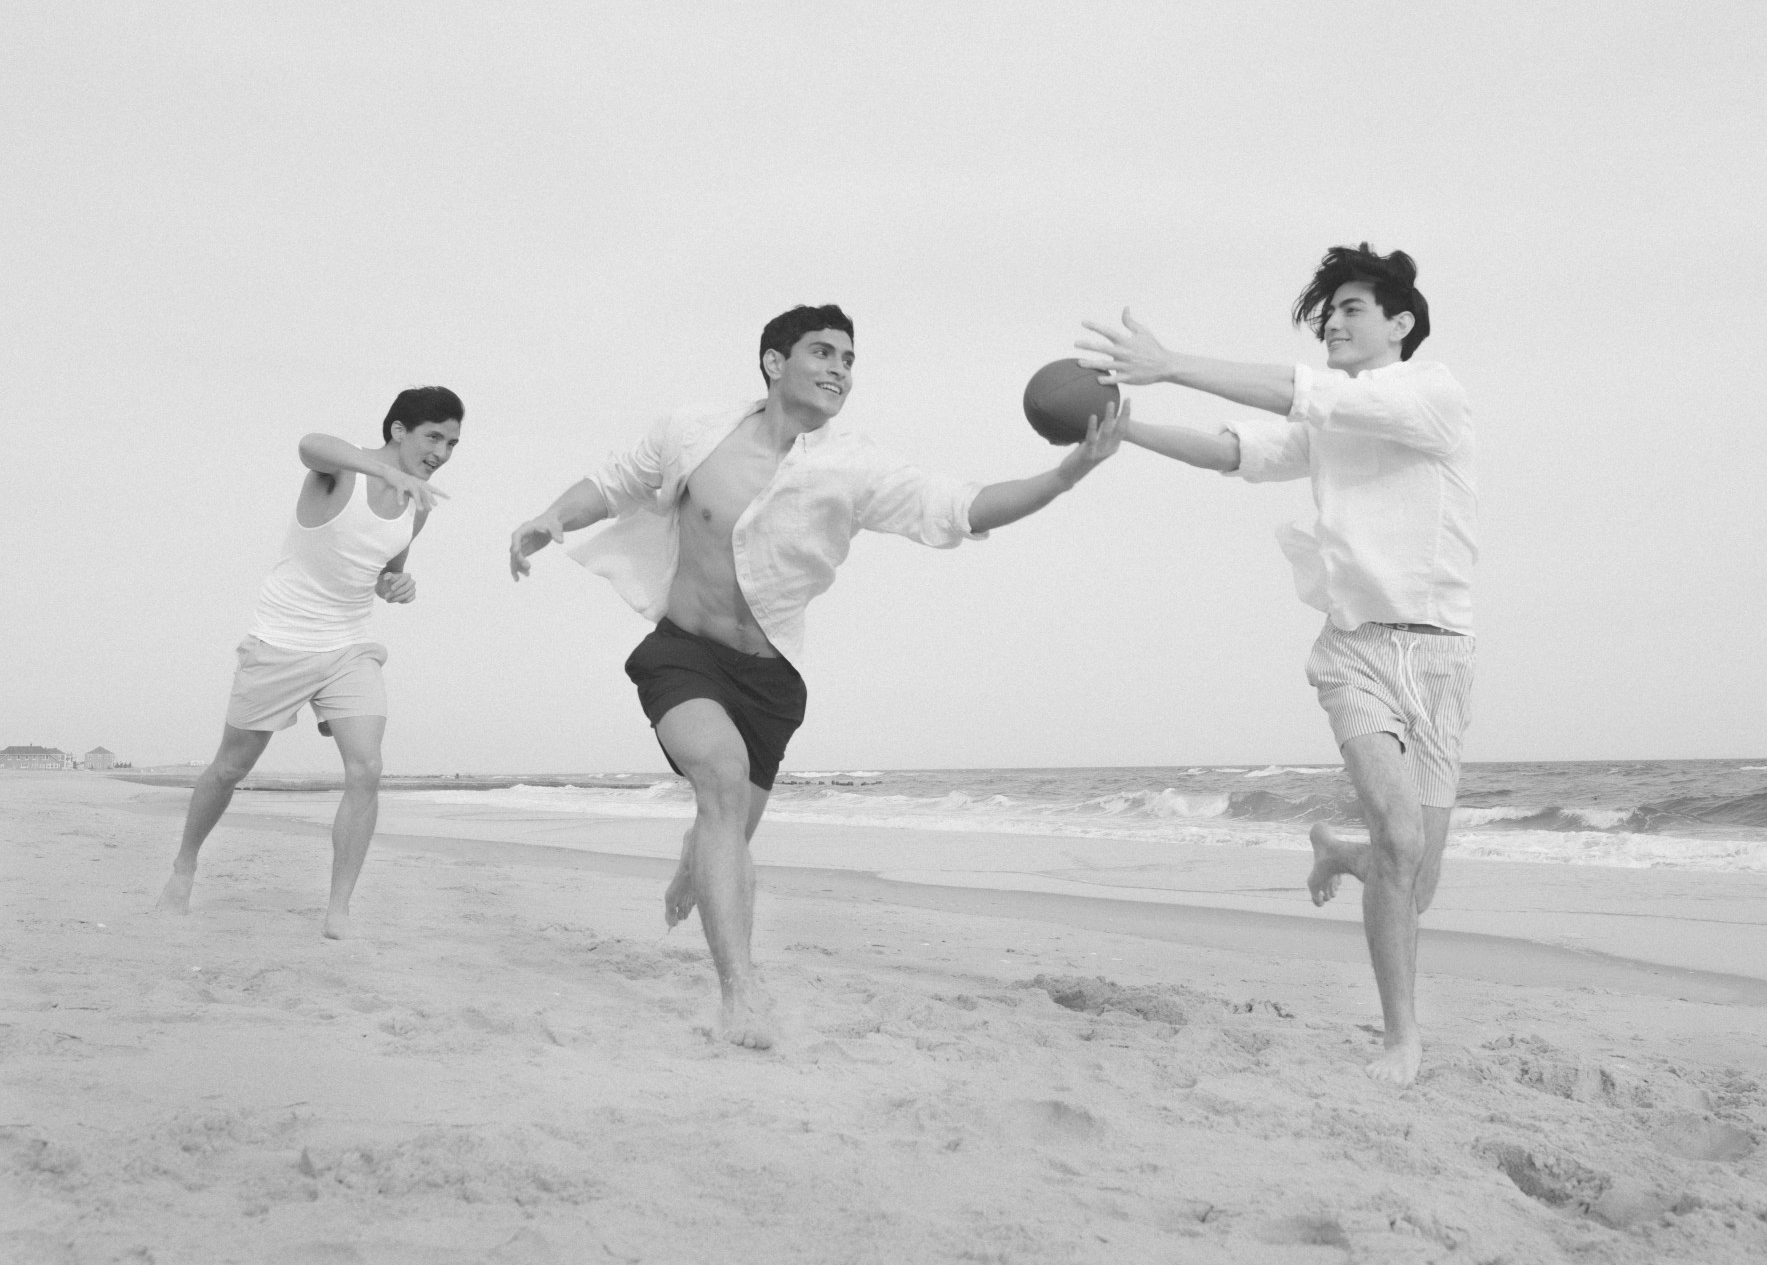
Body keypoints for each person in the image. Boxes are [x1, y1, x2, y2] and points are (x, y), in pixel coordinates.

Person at [509, 305, 1126, 1049]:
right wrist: (551, 516)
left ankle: (697, 862)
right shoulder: (692, 433)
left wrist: (1067, 473)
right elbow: (616, 483)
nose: (840, 369)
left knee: (728, 824)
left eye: (849, 359)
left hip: (771, 679)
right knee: (722, 780)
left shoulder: (853, 466)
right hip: (683, 651)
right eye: (824, 352)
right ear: (775, 362)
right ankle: (740, 992)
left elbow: (961, 507)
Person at [1077, 246, 1474, 1085]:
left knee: (1414, 877)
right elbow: (1239, 451)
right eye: (1327, 312)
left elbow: (1305, 391)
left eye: (1352, 309)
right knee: (1401, 840)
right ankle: (1401, 1037)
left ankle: (1339, 851)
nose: (1333, 320)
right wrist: (1130, 428)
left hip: (1441, 657)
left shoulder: (1432, 395)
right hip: (1355, 650)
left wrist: (1172, 363)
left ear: (1400, 324)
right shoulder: (1331, 423)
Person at [154, 387, 464, 939]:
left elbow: (384, 571)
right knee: (230, 768)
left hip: (348, 647)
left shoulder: (417, 505)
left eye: (452, 443)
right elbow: (310, 443)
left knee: (366, 769)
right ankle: (184, 865)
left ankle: (338, 908)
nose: (442, 452)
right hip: (280, 641)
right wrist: (379, 469)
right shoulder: (338, 475)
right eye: (433, 436)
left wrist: (399, 584)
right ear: (398, 430)